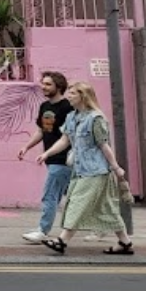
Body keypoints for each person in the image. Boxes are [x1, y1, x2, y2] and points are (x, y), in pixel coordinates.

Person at [35, 81, 133, 255]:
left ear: (83, 96)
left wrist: (116, 168)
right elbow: (65, 140)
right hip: (80, 170)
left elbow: (104, 145)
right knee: (107, 209)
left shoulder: (96, 118)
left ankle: (62, 241)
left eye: (72, 93)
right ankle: (125, 242)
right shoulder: (71, 117)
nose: (69, 96)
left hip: (96, 171)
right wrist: (47, 154)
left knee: (76, 204)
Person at [16, 71, 73, 244]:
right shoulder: (44, 107)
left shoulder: (67, 108)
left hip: (62, 159)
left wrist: (50, 153)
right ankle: (105, 227)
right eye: (43, 83)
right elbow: (41, 131)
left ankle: (43, 230)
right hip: (51, 159)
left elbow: (68, 136)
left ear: (59, 86)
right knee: (73, 197)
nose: (44, 87)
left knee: (50, 196)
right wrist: (26, 146)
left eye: (48, 84)